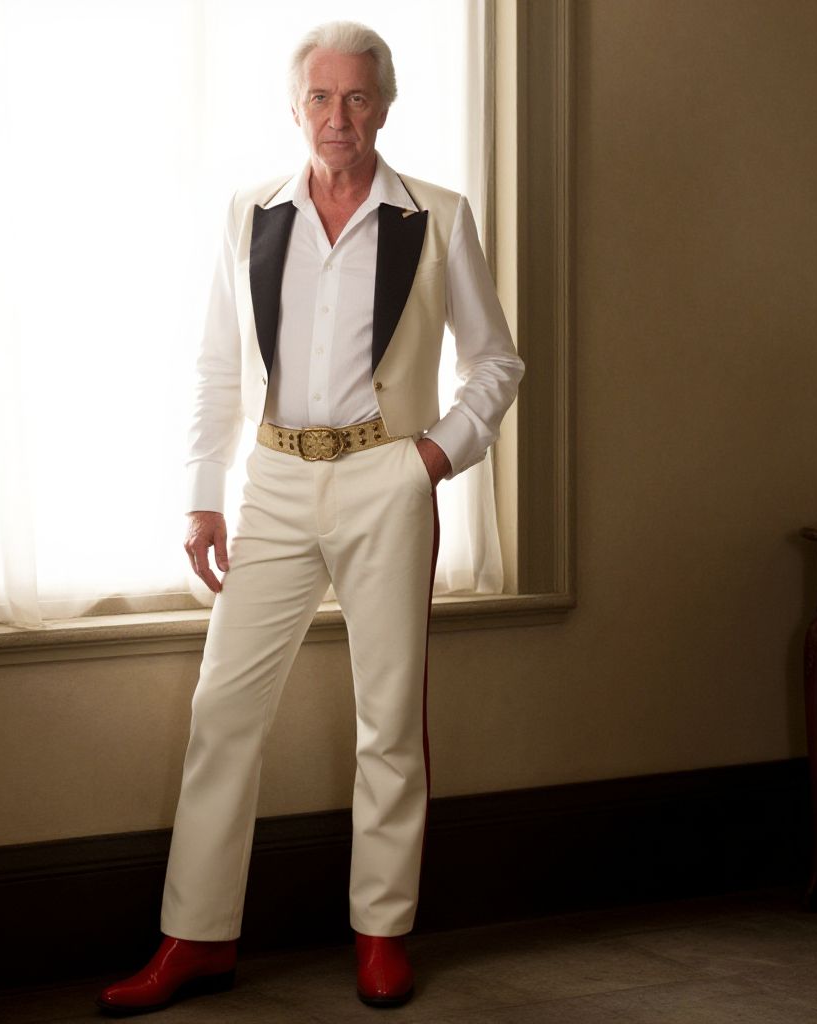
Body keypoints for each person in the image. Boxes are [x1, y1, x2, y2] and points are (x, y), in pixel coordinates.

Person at [98, 20, 524, 1015]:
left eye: (357, 97)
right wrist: (203, 492)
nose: (339, 117)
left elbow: (495, 361)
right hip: (276, 480)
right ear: (296, 108)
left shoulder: (438, 216)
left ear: (385, 105)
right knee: (223, 710)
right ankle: (196, 937)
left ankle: (382, 933)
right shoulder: (251, 213)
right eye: (321, 98)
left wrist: (432, 457)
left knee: (390, 717)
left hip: (387, 476)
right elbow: (216, 361)